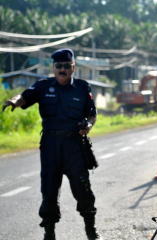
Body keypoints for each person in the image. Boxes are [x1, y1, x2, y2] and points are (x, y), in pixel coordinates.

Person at [2, 48, 101, 240]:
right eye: (59, 66)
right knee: (48, 191)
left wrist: (88, 125)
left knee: (83, 189)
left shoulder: (82, 87)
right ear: (53, 68)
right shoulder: (43, 86)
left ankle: (91, 231)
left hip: (74, 145)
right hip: (50, 145)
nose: (62, 69)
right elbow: (24, 97)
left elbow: (92, 114)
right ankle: (49, 233)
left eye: (66, 66)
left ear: (73, 67)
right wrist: (13, 101)